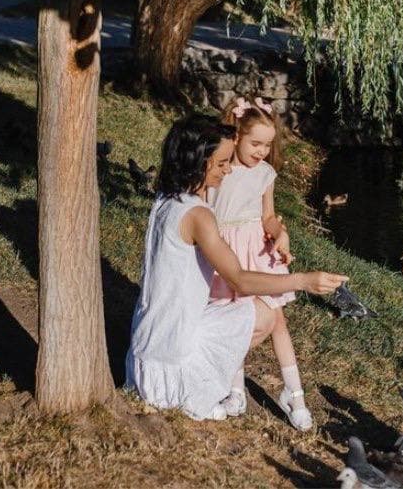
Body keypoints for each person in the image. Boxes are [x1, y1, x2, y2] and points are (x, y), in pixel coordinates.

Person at [125, 114, 347, 422]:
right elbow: (240, 279)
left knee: (251, 312)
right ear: (198, 162)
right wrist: (303, 281)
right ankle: (196, 388)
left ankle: (224, 384)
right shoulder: (198, 216)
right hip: (168, 369)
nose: (228, 169)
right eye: (221, 163)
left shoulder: (166, 199)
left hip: (143, 354)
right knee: (265, 315)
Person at [208, 97, 314, 429]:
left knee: (277, 320)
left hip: (256, 251)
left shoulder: (265, 174)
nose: (262, 152)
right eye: (255, 144)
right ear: (236, 135)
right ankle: (235, 390)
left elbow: (268, 216)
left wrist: (280, 233)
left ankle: (294, 393)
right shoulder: (219, 169)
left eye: (267, 146)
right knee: (232, 317)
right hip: (225, 251)